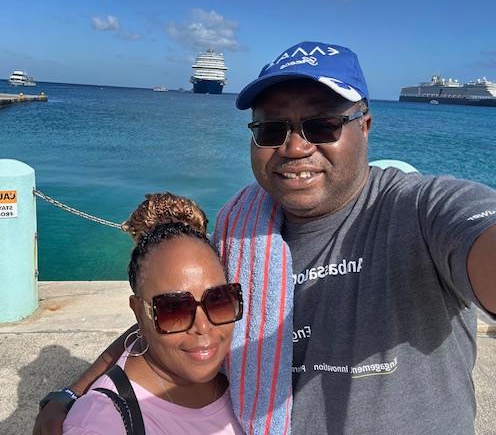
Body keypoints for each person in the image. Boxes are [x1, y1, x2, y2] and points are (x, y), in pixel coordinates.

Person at [35, 41, 496, 434]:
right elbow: (171, 316)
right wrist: (72, 393)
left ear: (365, 126)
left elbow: (478, 233)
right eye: (273, 129)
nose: (295, 147)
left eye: (322, 125)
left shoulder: (419, 210)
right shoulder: (243, 231)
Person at [61, 192, 245, 434]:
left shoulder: (245, 369)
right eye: (174, 309)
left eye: (218, 300)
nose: (203, 326)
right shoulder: (102, 420)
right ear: (139, 312)